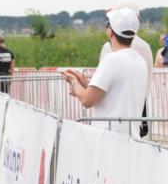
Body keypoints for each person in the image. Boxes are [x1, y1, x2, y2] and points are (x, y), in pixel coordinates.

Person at [63, 8, 148, 137]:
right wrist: (87, 84)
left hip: (109, 138)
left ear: (110, 32)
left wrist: (74, 82)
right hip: (132, 137)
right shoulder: (140, 61)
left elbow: (87, 100)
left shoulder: (111, 59)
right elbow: (115, 93)